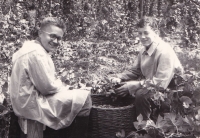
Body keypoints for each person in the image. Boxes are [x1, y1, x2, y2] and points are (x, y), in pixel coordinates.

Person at [9, 17, 92, 138]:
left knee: (77, 96)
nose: (56, 41)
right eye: (52, 36)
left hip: (24, 100)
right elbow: (47, 88)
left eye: (59, 38)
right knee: (84, 99)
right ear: (40, 33)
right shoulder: (36, 53)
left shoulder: (30, 46)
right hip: (31, 104)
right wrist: (66, 87)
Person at [109, 16, 183, 122]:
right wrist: (118, 77)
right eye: (140, 33)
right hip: (153, 86)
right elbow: (135, 71)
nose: (142, 37)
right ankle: (128, 120)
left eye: (146, 33)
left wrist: (136, 85)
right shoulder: (143, 49)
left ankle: (145, 126)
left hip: (169, 93)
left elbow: (161, 84)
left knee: (141, 94)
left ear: (155, 32)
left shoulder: (164, 52)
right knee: (122, 86)